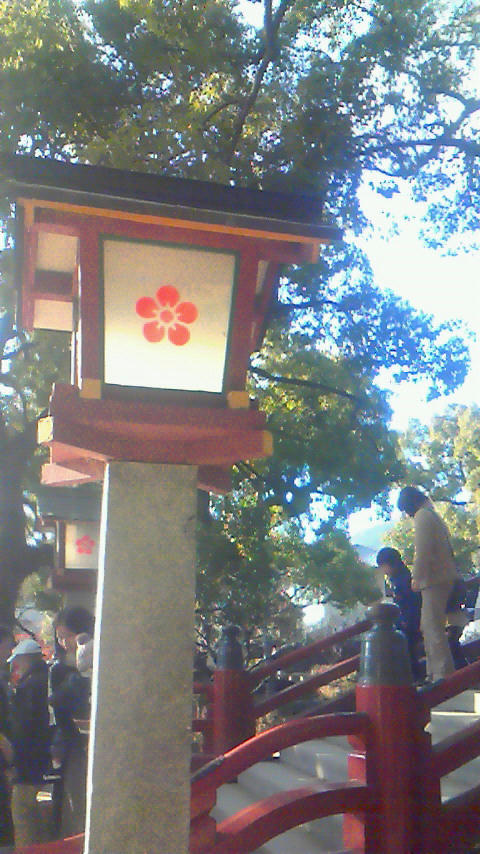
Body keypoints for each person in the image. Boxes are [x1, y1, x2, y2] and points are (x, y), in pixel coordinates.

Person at [397, 486, 460, 683]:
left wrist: (416, 578)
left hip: (434, 579)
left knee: (433, 628)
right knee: (428, 626)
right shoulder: (432, 514)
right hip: (443, 577)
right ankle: (433, 672)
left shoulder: (423, 516)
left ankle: (442, 673)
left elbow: (423, 551)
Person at [49, 607, 94, 838]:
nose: (64, 642)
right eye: (60, 637)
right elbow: (57, 704)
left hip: (93, 741)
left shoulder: (97, 659)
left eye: (67, 636)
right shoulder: (59, 669)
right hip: (72, 742)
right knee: (73, 801)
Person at [8, 637, 51, 847]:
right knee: (44, 826)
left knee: (24, 820)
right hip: (45, 764)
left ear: (26, 659)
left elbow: (23, 728)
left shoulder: (29, 686)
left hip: (27, 768)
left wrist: (14, 761)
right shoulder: (48, 678)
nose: (17, 665)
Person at [376, 547, 423, 681]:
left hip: (409, 621)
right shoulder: (401, 577)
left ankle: (414, 677)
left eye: (383, 567)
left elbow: (409, 602)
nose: (383, 571)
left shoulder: (402, 580)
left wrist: (404, 620)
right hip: (408, 620)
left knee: (408, 652)